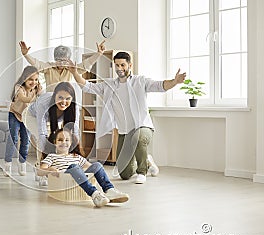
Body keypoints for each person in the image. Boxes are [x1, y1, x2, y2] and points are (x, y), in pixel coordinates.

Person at [69, 52, 186, 184]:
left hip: (143, 127)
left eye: (123, 65)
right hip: (124, 132)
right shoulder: (110, 85)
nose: (119, 68)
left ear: (130, 65)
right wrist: (74, 73)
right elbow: (88, 87)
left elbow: (160, 86)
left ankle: (142, 172)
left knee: (138, 138)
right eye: (117, 65)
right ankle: (146, 161)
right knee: (125, 174)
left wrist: (175, 81)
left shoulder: (140, 81)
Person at [39, 128, 129, 207]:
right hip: (63, 179)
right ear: (54, 142)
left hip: (78, 180)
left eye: (67, 140)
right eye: (60, 140)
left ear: (71, 143)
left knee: (97, 165)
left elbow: (92, 168)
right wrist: (49, 170)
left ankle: (109, 190)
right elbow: (39, 171)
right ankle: (94, 194)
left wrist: (91, 172)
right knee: (74, 166)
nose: (63, 142)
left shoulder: (76, 156)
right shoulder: (52, 156)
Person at [25, 81, 80, 186]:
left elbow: (75, 132)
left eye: (68, 99)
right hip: (31, 115)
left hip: (52, 116)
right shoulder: (43, 104)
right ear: (55, 96)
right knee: (42, 137)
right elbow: (42, 133)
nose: (64, 102)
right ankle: (41, 168)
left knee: (64, 136)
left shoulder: (74, 107)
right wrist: (44, 161)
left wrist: (77, 156)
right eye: (60, 97)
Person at [19, 40, 105, 92]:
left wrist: (98, 54)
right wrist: (26, 54)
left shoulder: (71, 69)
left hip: (66, 99)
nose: (61, 63)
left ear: (68, 59)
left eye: (64, 60)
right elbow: (36, 64)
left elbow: (86, 64)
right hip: (51, 99)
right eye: (59, 60)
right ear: (55, 59)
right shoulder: (49, 67)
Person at [3, 66, 41, 177]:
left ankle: (22, 163)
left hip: (27, 117)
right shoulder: (19, 87)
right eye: (30, 79)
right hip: (14, 114)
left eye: (36, 79)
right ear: (24, 78)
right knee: (13, 138)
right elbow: (23, 98)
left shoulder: (37, 88)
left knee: (26, 140)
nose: (33, 82)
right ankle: (7, 164)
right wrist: (35, 98)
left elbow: (43, 95)